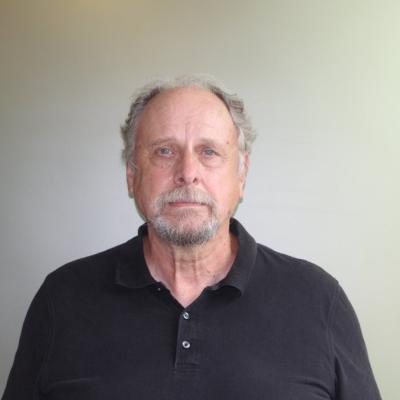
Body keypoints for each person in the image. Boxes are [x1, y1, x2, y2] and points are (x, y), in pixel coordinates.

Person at [2, 76, 381, 400]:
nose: (187, 172)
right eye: (164, 151)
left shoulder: (318, 301)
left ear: (241, 175)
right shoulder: (62, 300)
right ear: (132, 175)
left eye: (209, 152)